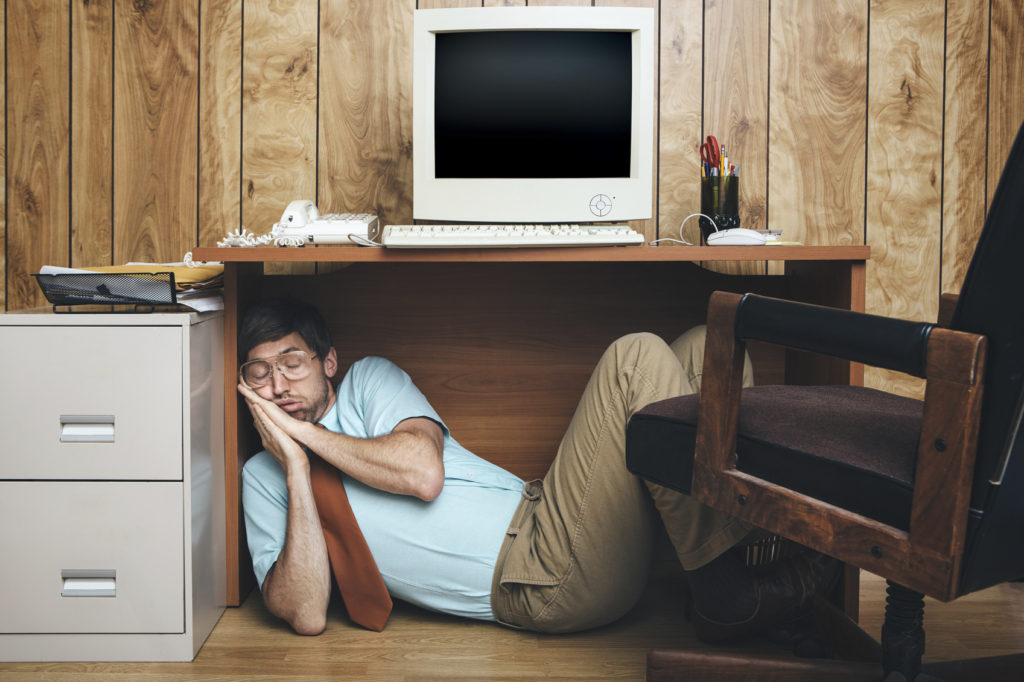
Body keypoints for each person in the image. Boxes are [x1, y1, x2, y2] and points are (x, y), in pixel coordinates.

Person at [239, 297, 838, 639]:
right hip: (537, 578)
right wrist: (294, 465)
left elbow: (422, 470)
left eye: (292, 362)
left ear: (329, 362)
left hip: (551, 513)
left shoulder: (368, 381)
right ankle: (729, 589)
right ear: (246, 388)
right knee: (634, 359)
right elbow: (307, 614)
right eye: (260, 374)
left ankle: (733, 562)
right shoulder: (262, 480)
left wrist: (306, 435)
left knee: (707, 347)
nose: (279, 384)